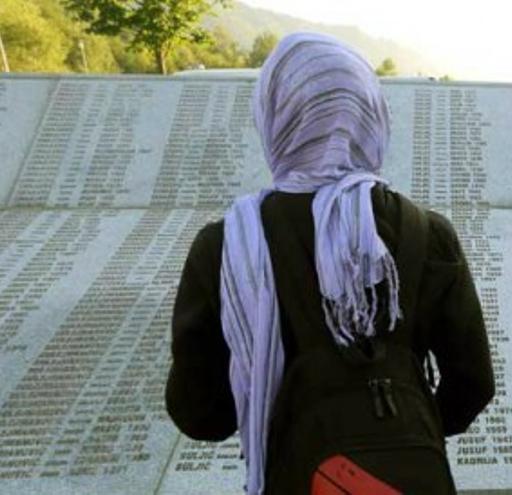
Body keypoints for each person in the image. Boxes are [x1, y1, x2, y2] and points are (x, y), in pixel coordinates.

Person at [165, 32, 494, 495]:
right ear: (372, 115)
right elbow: (473, 385)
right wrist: (394, 433)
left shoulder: (225, 244)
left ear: (275, 115)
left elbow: (199, 414)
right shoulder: (428, 232)